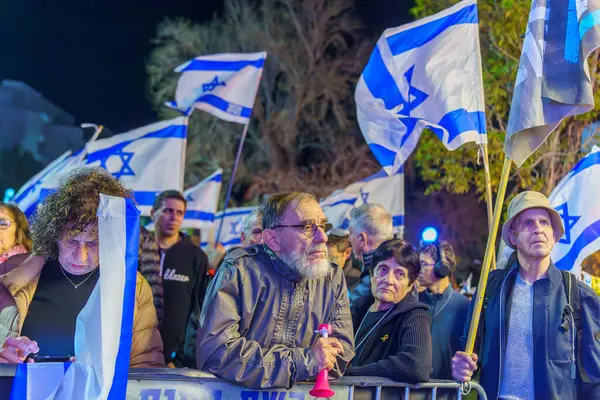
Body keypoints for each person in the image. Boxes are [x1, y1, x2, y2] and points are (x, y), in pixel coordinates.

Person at [0, 168, 163, 367]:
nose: (81, 256)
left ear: (112, 241)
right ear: (55, 233)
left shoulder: (134, 287)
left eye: (94, 243)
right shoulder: (12, 271)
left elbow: (146, 365)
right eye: (72, 240)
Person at [197, 192, 355, 389]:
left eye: (323, 226)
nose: (322, 237)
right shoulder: (240, 270)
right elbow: (217, 353)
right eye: (307, 227)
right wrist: (306, 361)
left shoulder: (331, 276)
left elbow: (341, 354)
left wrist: (307, 362)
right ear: (273, 239)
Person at [452, 191, 600, 399]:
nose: (538, 229)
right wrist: (461, 366)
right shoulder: (490, 289)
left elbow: (595, 377)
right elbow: (469, 354)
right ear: (513, 237)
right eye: (528, 223)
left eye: (544, 222)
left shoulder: (578, 295)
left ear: (554, 235)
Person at [140, 190, 209, 368]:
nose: (174, 218)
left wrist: (178, 356)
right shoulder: (136, 250)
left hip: (173, 360)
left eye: (180, 213)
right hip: (135, 352)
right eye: (168, 211)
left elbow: (198, 310)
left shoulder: (195, 256)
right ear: (153, 213)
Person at [346, 239, 432, 382]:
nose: (388, 280)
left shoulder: (415, 316)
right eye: (383, 269)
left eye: (399, 274)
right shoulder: (357, 309)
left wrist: (352, 374)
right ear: (372, 274)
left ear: (410, 284)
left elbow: (416, 366)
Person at [418, 240, 469, 380]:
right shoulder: (413, 302)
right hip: (412, 391)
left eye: (423, 264)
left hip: (447, 392)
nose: (418, 269)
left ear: (442, 267)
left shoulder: (464, 306)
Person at [347, 204, 394, 315]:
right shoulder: (403, 269)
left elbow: (348, 319)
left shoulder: (373, 279)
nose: (349, 239)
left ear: (362, 239)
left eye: (351, 233)